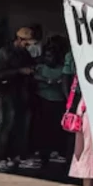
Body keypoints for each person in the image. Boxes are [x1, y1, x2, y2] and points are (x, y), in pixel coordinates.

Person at [0, 27, 35, 172]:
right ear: (19, 40)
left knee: (22, 127)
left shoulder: (24, 53)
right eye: (26, 43)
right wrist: (19, 71)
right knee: (7, 126)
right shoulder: (4, 53)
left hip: (22, 94)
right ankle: (2, 158)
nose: (28, 46)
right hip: (7, 94)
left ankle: (18, 156)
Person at [65, 50, 93, 186]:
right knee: (88, 148)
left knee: (91, 149)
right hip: (89, 111)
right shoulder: (89, 70)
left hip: (89, 109)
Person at [30, 36, 69, 168]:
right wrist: (45, 80)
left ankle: (55, 151)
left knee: (56, 128)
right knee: (42, 129)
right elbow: (34, 77)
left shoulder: (61, 68)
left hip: (58, 101)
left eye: (50, 56)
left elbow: (63, 81)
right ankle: (41, 152)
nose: (48, 58)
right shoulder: (41, 67)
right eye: (46, 56)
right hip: (43, 100)